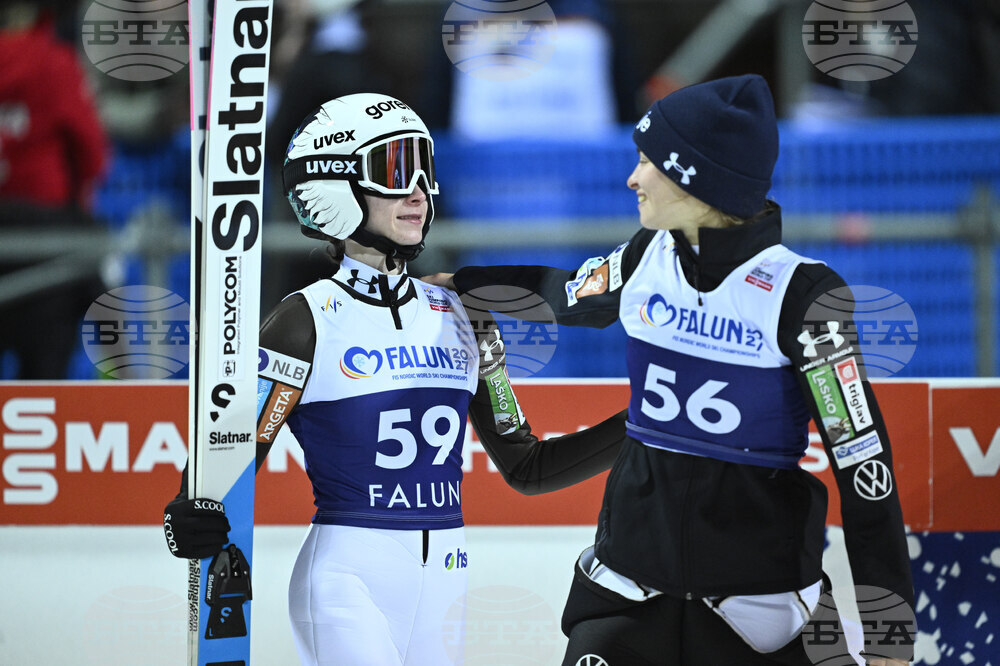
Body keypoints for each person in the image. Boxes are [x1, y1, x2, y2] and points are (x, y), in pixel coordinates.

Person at [424, 75, 914, 665]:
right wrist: (465, 286)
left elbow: (865, 468)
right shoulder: (646, 255)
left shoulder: (803, 295)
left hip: (764, 612)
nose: (633, 177)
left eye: (647, 162)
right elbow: (563, 295)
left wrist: (890, 636)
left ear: (696, 178)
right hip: (629, 592)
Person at [161, 93, 626, 666]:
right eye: (394, 169)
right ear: (333, 188)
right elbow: (237, 451)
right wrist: (188, 506)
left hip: (447, 579)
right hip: (346, 580)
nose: (419, 191)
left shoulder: (463, 312)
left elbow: (527, 467)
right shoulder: (303, 321)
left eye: (424, 170)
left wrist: (650, 421)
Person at [0, 3, 109, 378]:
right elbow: (91, 151)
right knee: (43, 382)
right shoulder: (53, 62)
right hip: (43, 236)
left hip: (24, 230)